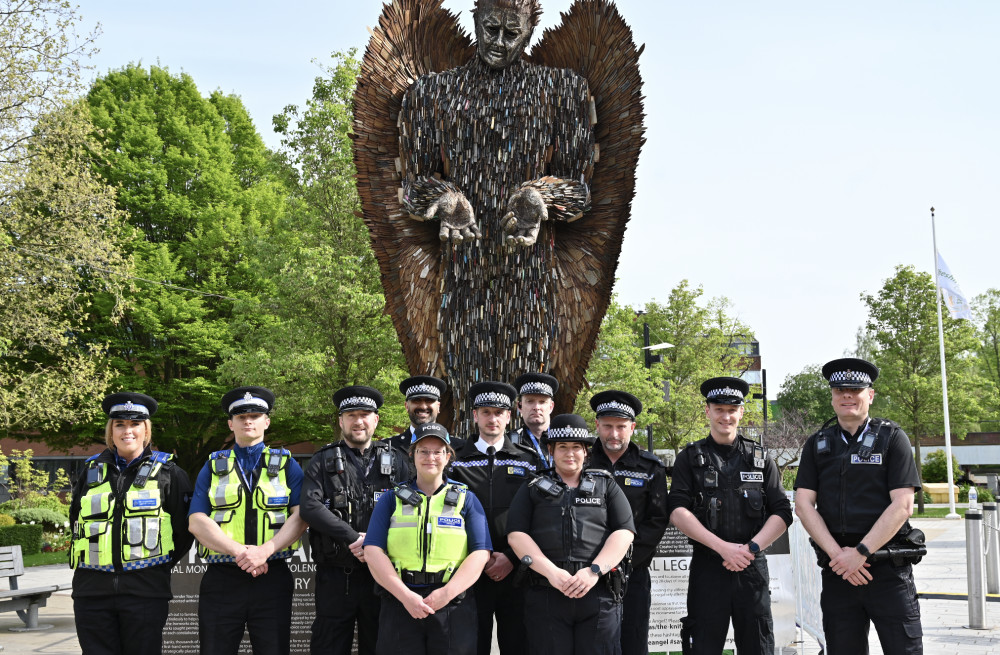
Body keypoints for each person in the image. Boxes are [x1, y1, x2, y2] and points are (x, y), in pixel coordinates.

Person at [794, 358, 923, 655]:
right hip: (838, 570)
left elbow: (902, 505)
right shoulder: (817, 443)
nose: (847, 395)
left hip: (887, 569)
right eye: (839, 390)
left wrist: (861, 553)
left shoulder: (892, 438)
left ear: (871, 395)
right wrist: (840, 556)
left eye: (855, 389)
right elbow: (803, 504)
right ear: (832, 396)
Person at [668, 377, 792, 655]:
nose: (726, 416)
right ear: (707, 411)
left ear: (742, 412)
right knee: (702, 645)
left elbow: (782, 512)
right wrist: (722, 548)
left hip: (751, 568)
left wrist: (751, 548)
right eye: (719, 409)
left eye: (732, 409)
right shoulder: (689, 457)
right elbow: (677, 510)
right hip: (709, 567)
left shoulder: (761, 458)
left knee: (758, 646)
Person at [70, 392, 193, 655]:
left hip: (145, 592)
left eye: (135, 424)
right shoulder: (90, 471)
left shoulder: (170, 474)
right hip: (91, 593)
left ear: (146, 430)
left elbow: (183, 534)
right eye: (120, 424)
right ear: (111, 431)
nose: (128, 431)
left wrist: (150, 567)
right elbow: (75, 521)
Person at [188, 386, 306, 655]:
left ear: (267, 421)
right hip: (222, 578)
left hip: (272, 578)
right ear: (231, 424)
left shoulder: (288, 465)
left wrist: (265, 551)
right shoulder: (212, 466)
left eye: (255, 415)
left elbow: (300, 517)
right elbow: (196, 520)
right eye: (241, 417)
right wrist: (241, 552)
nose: (248, 421)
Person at [508, 414, 636, 655]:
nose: (570, 453)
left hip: (597, 591)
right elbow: (517, 535)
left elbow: (624, 532)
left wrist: (594, 571)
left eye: (576, 447)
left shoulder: (606, 485)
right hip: (547, 590)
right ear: (551, 450)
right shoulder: (533, 487)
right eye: (562, 447)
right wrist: (553, 573)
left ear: (586, 451)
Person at [363, 422, 492, 655]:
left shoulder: (467, 499)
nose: (430, 457)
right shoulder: (391, 500)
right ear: (412, 455)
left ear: (448, 456)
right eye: (423, 451)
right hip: (400, 603)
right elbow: (373, 551)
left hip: (452, 605)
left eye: (437, 451)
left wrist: (446, 593)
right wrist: (405, 596)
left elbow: (481, 553)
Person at [301, 386, 409, 655]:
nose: (358, 421)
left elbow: (410, 509)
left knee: (380, 646)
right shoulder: (321, 460)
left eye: (364, 415)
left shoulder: (398, 460)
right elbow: (310, 507)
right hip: (337, 576)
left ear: (376, 420)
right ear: (341, 421)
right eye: (351, 415)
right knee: (329, 646)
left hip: (383, 575)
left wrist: (373, 544)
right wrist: (353, 538)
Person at [449, 381, 541, 655]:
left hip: (516, 571)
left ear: (509, 416)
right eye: (486, 412)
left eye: (499, 412)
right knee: (471, 646)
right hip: (468, 571)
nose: (492, 418)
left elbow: (537, 514)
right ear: (475, 415)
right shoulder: (455, 461)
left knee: (518, 644)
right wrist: (478, 558)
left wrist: (511, 557)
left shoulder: (528, 460)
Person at [588, 390, 669, 655]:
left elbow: (656, 520)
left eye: (621, 427)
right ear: (597, 424)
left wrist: (621, 560)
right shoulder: (582, 461)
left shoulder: (649, 467)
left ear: (632, 427)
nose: (614, 434)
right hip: (587, 571)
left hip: (632, 573)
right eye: (607, 426)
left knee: (633, 642)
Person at [388, 375, 451, 475]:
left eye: (429, 400)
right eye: (416, 400)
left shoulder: (457, 447)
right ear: (407, 406)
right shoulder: (388, 448)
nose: (423, 406)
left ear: (438, 406)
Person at [511, 372, 557, 464]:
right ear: (520, 406)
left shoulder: (562, 440)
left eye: (542, 402)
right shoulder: (508, 441)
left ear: (551, 407)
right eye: (530, 401)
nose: (536, 407)